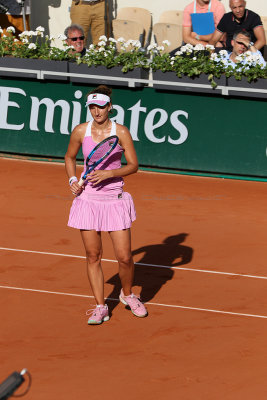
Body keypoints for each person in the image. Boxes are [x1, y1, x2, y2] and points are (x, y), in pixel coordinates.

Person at [64, 85, 148, 325]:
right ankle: (101, 306)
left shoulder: (120, 131)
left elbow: (133, 165)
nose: (96, 111)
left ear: (109, 107)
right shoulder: (81, 131)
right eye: (92, 107)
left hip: (114, 198)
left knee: (124, 257)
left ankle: (127, 294)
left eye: (100, 106)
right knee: (93, 255)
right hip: (88, 199)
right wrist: (72, 179)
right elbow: (69, 157)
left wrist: (109, 175)